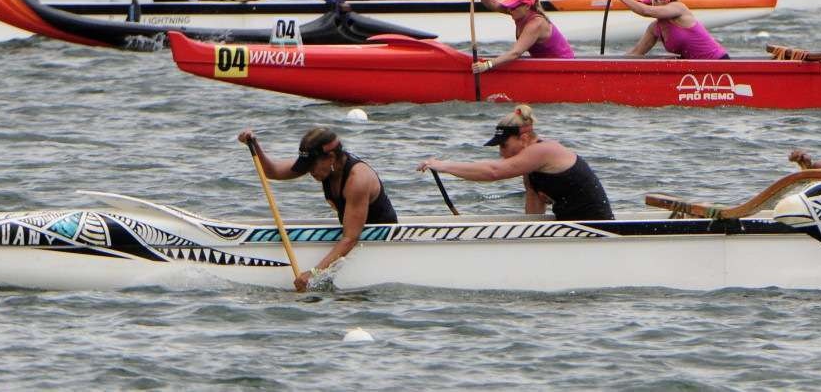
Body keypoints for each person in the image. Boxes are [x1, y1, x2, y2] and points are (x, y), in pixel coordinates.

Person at [237, 127, 397, 291]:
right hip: (354, 235)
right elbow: (273, 172)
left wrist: (314, 273)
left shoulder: (358, 180)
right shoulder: (325, 166)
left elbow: (350, 238)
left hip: (382, 239)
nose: (310, 171)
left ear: (331, 157)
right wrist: (254, 145)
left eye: (312, 165)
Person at [418, 105, 613, 220]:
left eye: (504, 145)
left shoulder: (543, 150)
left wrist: (444, 166)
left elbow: (494, 171)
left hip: (596, 226)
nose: (502, 153)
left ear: (524, 137)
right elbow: (534, 208)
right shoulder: (530, 168)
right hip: (570, 225)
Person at [605, 0, 729, 59]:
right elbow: (636, 53)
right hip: (695, 70)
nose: (649, 5)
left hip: (719, 63)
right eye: (647, 2)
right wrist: (609, 64)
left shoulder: (678, 8)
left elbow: (645, 11)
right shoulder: (654, 28)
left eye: (650, 2)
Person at [468, 0, 574, 72]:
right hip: (546, 65)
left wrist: (487, 65)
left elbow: (515, 53)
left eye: (513, 7)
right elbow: (494, 4)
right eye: (509, 6)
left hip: (564, 68)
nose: (509, 10)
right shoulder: (519, 12)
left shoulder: (536, 24)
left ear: (527, 6)